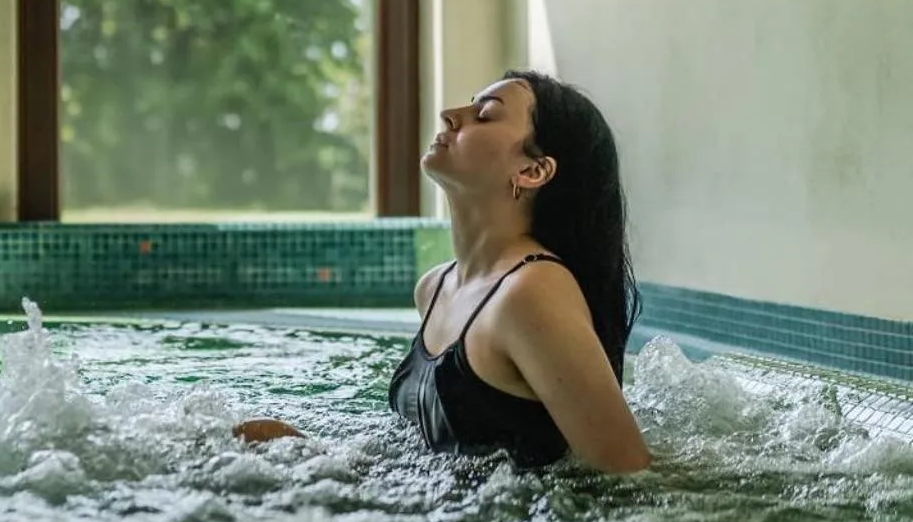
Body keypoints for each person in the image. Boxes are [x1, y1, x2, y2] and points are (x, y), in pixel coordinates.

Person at [235, 70, 651, 473]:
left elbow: (627, 473)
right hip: (438, 521)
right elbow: (437, 458)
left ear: (532, 170)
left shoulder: (531, 290)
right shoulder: (435, 288)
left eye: (484, 115)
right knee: (251, 438)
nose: (451, 115)